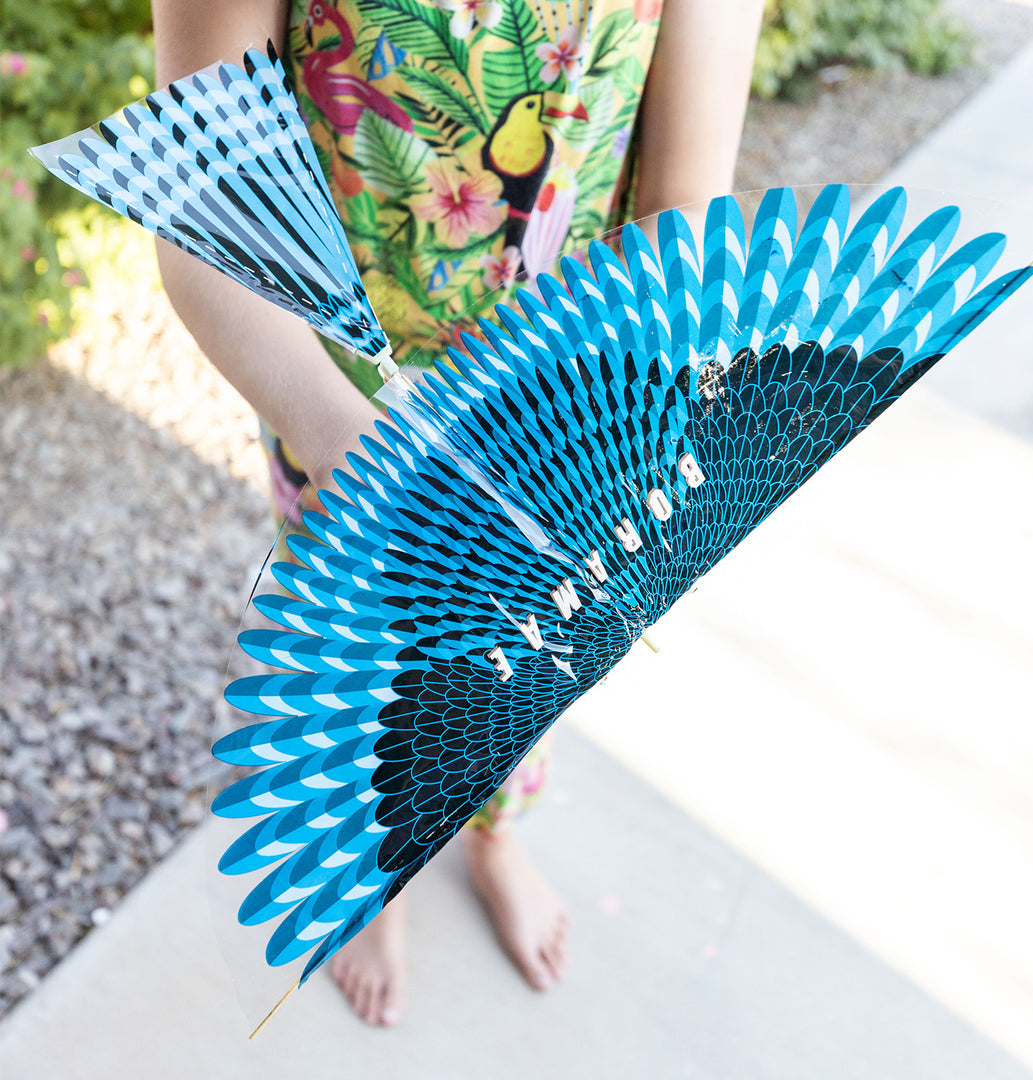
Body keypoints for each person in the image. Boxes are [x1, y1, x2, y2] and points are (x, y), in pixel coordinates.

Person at [152, 0, 763, 1028]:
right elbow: (209, 208)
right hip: (341, 392)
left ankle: (489, 830)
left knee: (527, 654)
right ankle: (373, 861)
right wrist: (351, 446)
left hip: (568, 392)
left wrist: (645, 422)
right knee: (368, 644)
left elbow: (683, 207)